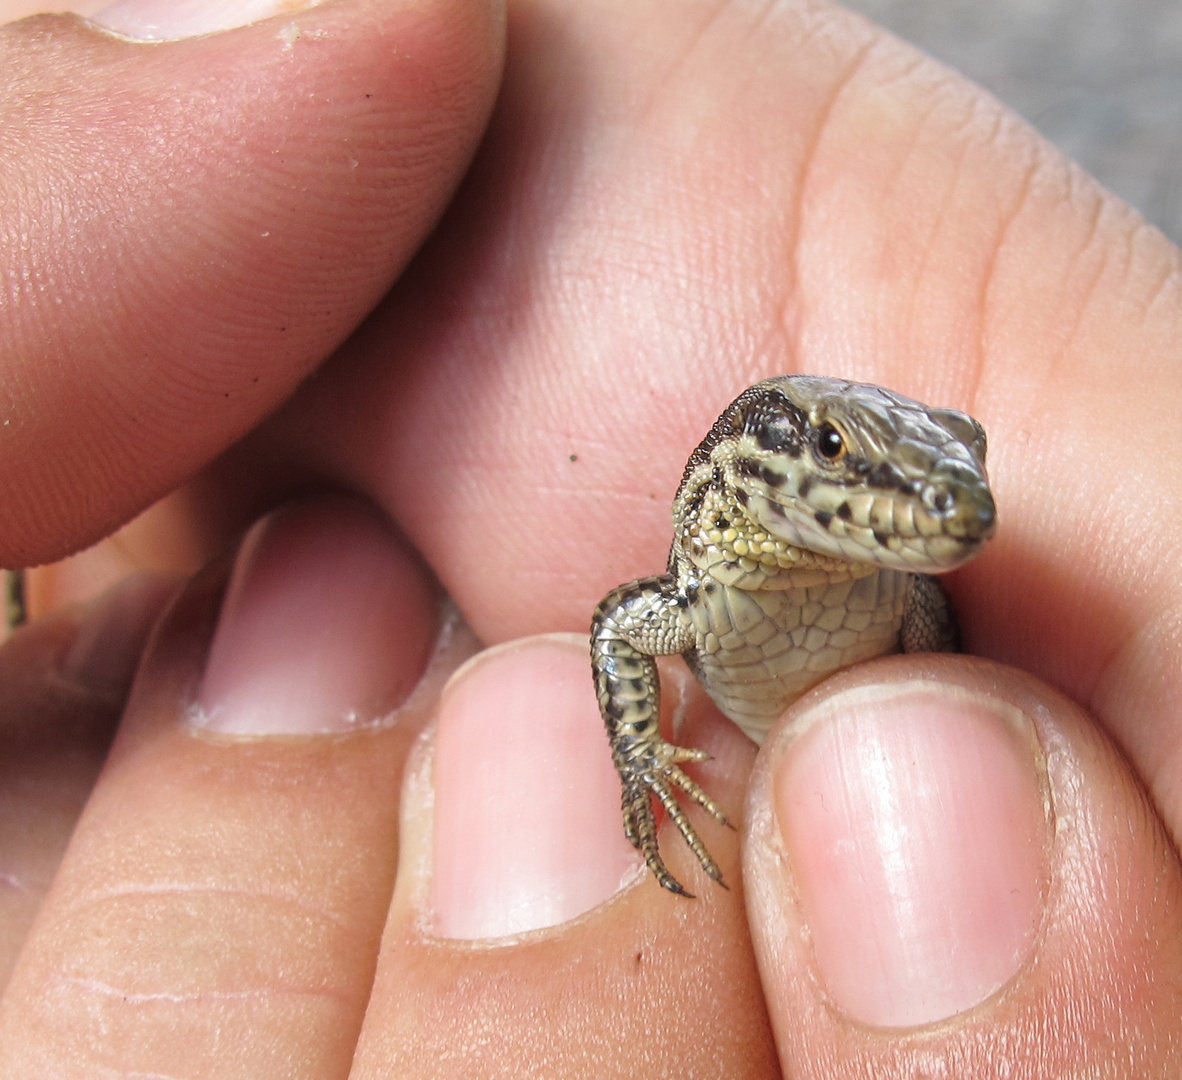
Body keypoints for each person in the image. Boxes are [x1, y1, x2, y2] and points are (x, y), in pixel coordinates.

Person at [1, 0, 1180, 1074]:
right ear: (764, 461)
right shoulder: (706, 587)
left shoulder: (906, 588)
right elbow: (622, 628)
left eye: (952, 465)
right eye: (833, 453)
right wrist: (641, 759)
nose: (944, 508)